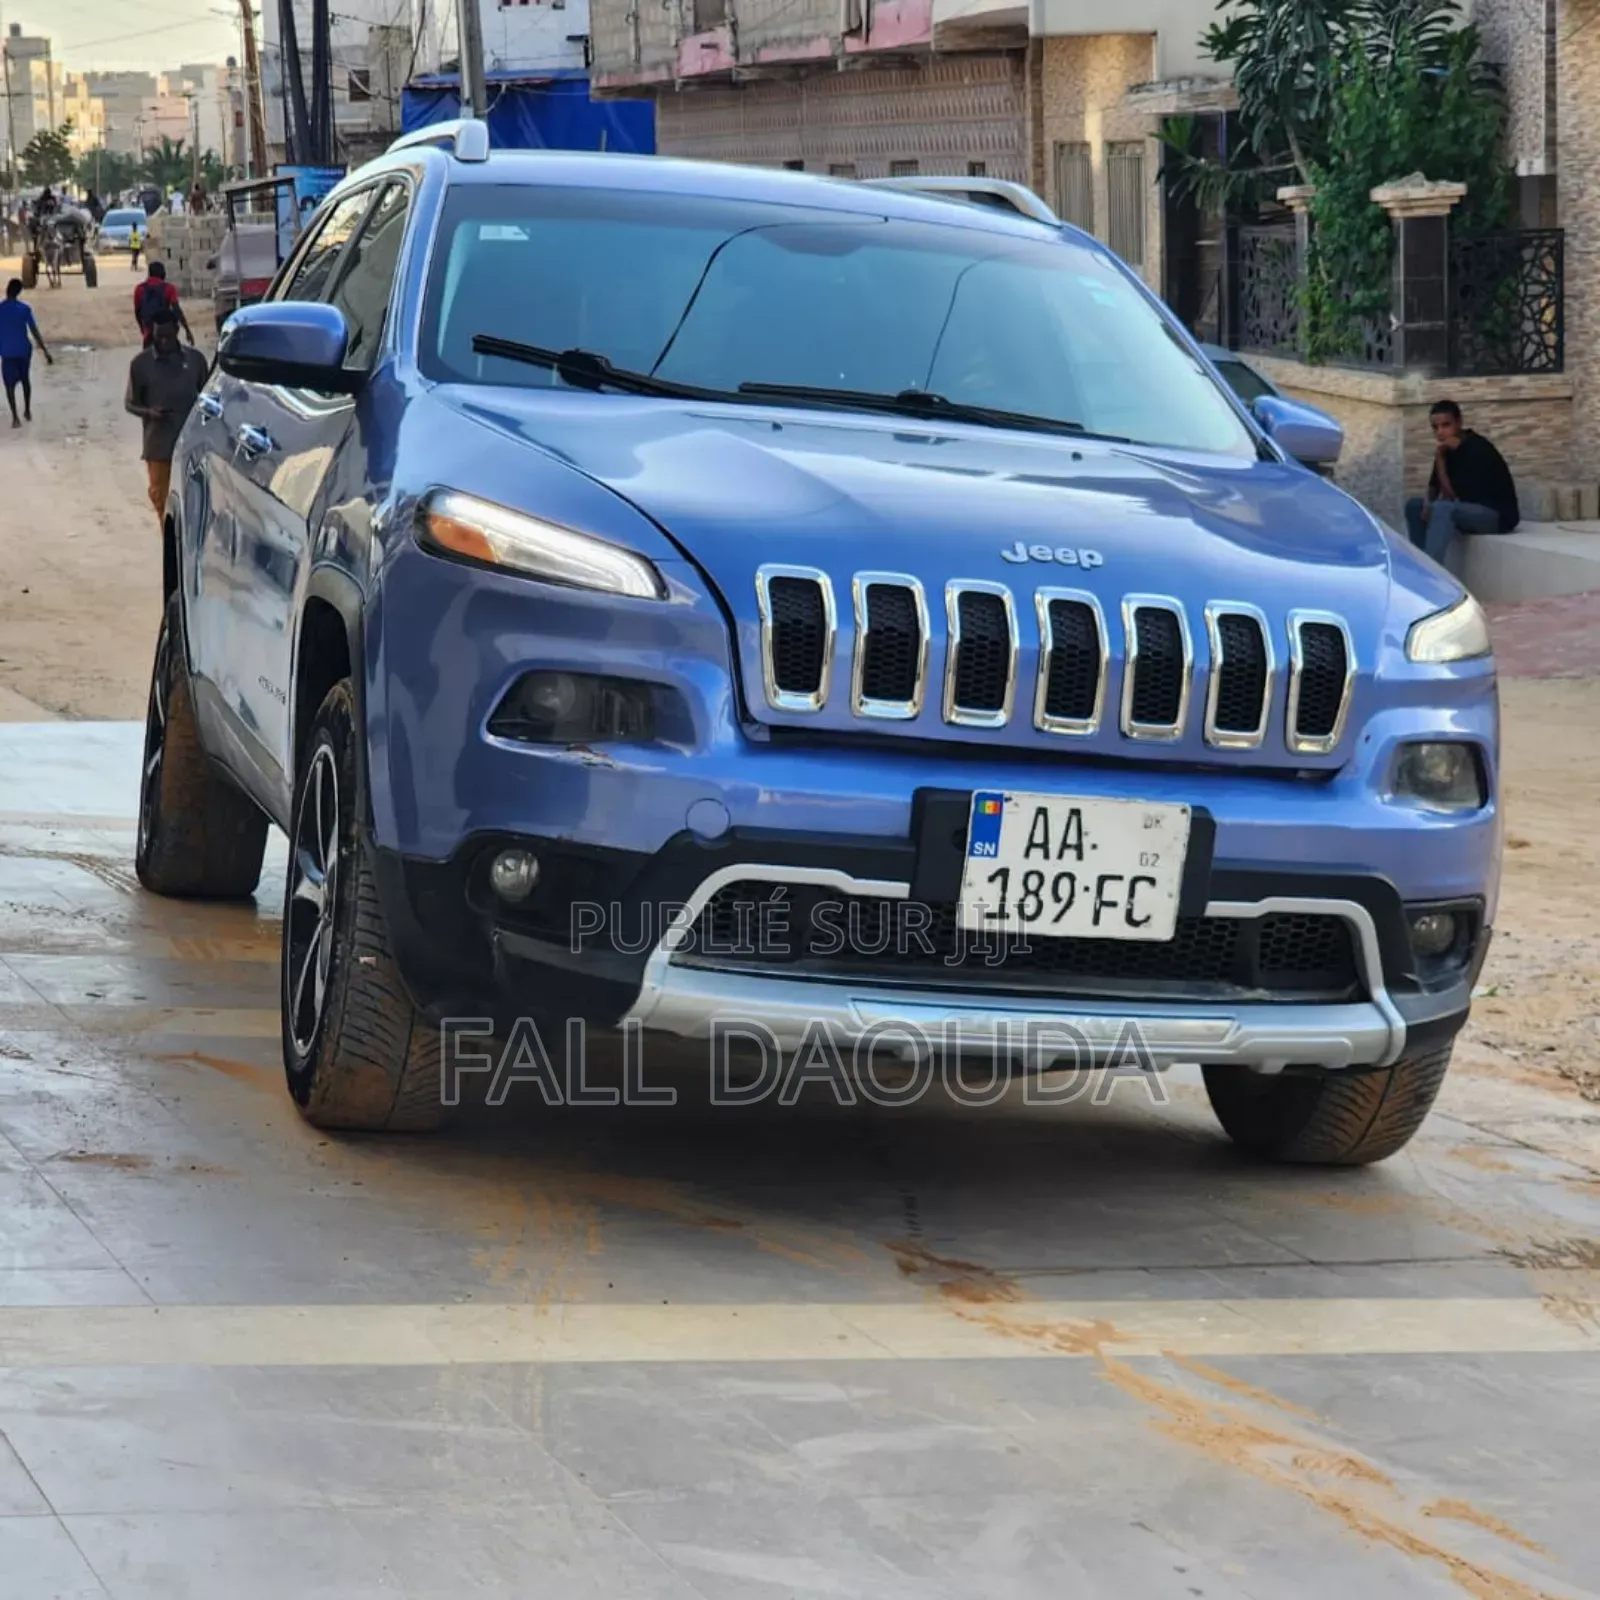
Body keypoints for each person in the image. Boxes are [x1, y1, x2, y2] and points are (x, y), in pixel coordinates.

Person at [1405, 400, 1520, 569]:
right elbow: (1434, 487)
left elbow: (1451, 495)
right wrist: (1427, 503)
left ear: (1459, 423)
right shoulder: (1446, 449)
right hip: (1466, 511)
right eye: (1435, 428)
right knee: (1413, 505)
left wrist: (1441, 459)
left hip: (1496, 516)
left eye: (1446, 425)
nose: (1441, 432)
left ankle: (1432, 572)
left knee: (1443, 508)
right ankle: (1420, 565)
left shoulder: (1476, 448)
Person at [125, 310, 209, 523]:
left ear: (177, 331)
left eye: (167, 336)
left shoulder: (196, 361)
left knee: (193, 501)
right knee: (161, 501)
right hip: (158, 446)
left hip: (192, 445)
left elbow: (209, 399)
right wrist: (149, 413)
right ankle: (170, 545)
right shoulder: (140, 365)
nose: (163, 341)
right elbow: (130, 404)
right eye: (158, 337)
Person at [0, 278, 53, 429]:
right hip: (23, 350)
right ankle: (27, 410)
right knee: (25, 380)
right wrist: (45, 351)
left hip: (7, 351)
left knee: (9, 385)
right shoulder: (24, 309)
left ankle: (15, 417)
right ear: (19, 292)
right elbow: (34, 331)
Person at [133, 261, 193, 348]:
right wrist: (187, 330)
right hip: (166, 331)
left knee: (147, 358)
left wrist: (142, 328)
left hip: (148, 332)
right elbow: (177, 310)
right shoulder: (169, 288)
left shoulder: (139, 289)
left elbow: (137, 312)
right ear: (163, 273)